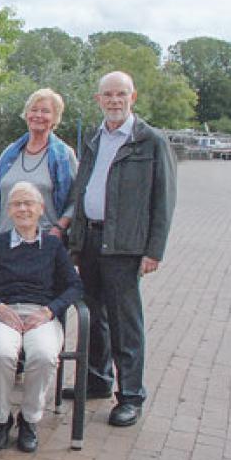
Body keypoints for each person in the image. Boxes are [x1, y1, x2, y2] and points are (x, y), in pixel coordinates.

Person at [68, 71, 176, 427]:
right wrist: (76, 241)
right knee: (94, 316)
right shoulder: (95, 139)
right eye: (108, 95)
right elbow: (82, 189)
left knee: (124, 322)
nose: (114, 101)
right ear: (98, 99)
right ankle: (97, 381)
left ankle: (130, 395)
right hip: (91, 242)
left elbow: (164, 199)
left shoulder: (150, 141)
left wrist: (153, 250)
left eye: (121, 94)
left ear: (133, 97)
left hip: (124, 245)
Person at [0, 182, 83, 452]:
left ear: (41, 209)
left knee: (43, 354)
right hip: (5, 315)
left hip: (41, 315)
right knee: (3, 353)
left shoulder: (52, 246)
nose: (23, 208)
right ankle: (1, 419)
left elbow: (75, 286)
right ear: (9, 210)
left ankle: (29, 419)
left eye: (29, 203)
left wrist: (50, 310)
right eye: (17, 203)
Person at [0, 88, 77, 236]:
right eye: (34, 110)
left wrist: (59, 228)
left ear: (55, 117)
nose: (38, 115)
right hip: (4, 241)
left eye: (45, 111)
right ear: (26, 114)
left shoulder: (64, 156)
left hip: (45, 242)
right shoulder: (9, 154)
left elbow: (75, 200)